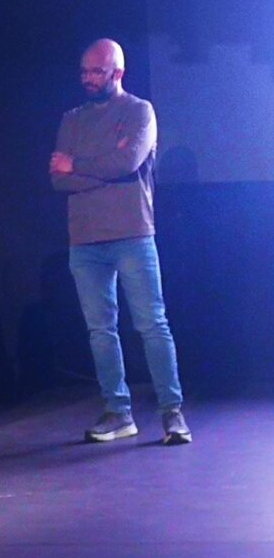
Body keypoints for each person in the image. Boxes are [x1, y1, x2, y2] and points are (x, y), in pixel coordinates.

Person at [50, 38, 191, 445]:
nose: (89, 78)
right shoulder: (72, 120)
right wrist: (103, 169)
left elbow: (128, 162)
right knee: (100, 330)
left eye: (97, 72)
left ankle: (172, 413)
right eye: (84, 71)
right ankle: (117, 412)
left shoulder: (139, 111)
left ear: (118, 72)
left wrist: (78, 165)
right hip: (85, 239)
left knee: (151, 324)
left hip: (132, 233)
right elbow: (57, 179)